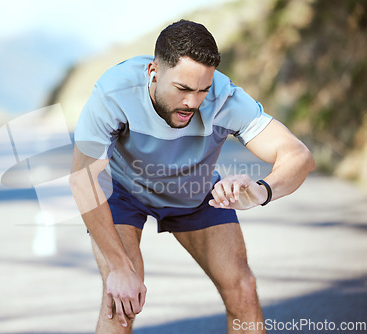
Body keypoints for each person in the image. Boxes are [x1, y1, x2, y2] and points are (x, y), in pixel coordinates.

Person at [69, 19, 315, 334]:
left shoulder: (225, 98)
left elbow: (298, 156)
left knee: (242, 286)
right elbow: (83, 180)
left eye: (202, 90)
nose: (193, 102)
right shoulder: (114, 92)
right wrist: (119, 267)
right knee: (121, 301)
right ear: (153, 72)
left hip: (195, 190)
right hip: (123, 192)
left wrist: (262, 190)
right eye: (183, 89)